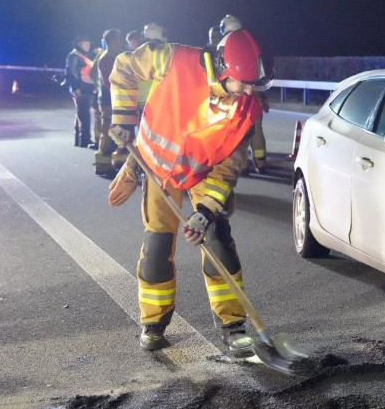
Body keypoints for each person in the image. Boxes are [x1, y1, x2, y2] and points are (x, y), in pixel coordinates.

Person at [106, 28, 272, 357]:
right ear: (224, 69)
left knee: (217, 237)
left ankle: (233, 325)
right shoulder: (173, 58)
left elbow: (228, 166)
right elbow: (124, 66)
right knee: (158, 243)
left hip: (204, 171)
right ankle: (153, 324)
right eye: (244, 83)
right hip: (157, 164)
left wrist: (204, 212)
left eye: (256, 84)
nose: (250, 91)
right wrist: (124, 120)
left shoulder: (247, 110)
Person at [219, 14, 270, 173]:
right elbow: (260, 74)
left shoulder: (223, 45)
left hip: (236, 97)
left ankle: (242, 164)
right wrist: (263, 97)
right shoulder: (251, 42)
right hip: (254, 95)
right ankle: (260, 162)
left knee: (237, 131)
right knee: (256, 130)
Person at [92, 29, 129, 177]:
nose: (122, 42)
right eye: (119, 39)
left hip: (116, 99)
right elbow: (110, 82)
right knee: (107, 131)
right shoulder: (107, 59)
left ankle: (118, 160)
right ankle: (102, 164)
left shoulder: (113, 57)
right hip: (109, 100)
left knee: (116, 130)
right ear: (113, 41)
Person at [65, 35, 98, 148]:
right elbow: (71, 73)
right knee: (84, 115)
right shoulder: (75, 56)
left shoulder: (84, 56)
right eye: (86, 43)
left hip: (86, 88)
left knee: (81, 114)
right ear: (79, 44)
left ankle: (80, 140)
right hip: (81, 89)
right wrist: (75, 88)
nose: (88, 45)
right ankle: (84, 140)